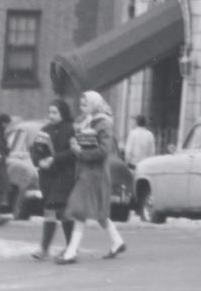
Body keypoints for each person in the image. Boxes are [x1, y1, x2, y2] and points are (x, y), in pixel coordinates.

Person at [57, 90, 128, 263]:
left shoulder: (103, 124)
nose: (82, 108)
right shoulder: (87, 122)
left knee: (79, 210)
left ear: (95, 105)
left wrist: (80, 152)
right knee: (100, 211)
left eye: (85, 104)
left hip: (93, 173)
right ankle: (117, 241)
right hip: (87, 172)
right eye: (81, 105)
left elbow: (104, 150)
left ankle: (71, 251)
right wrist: (75, 144)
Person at [28, 97, 80, 261]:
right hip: (48, 176)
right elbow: (35, 150)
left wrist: (54, 159)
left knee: (56, 210)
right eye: (49, 112)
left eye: (55, 112)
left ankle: (48, 248)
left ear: (63, 113)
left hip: (64, 175)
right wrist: (39, 161)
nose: (51, 115)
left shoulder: (71, 129)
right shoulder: (45, 130)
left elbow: (73, 153)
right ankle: (63, 247)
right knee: (58, 211)